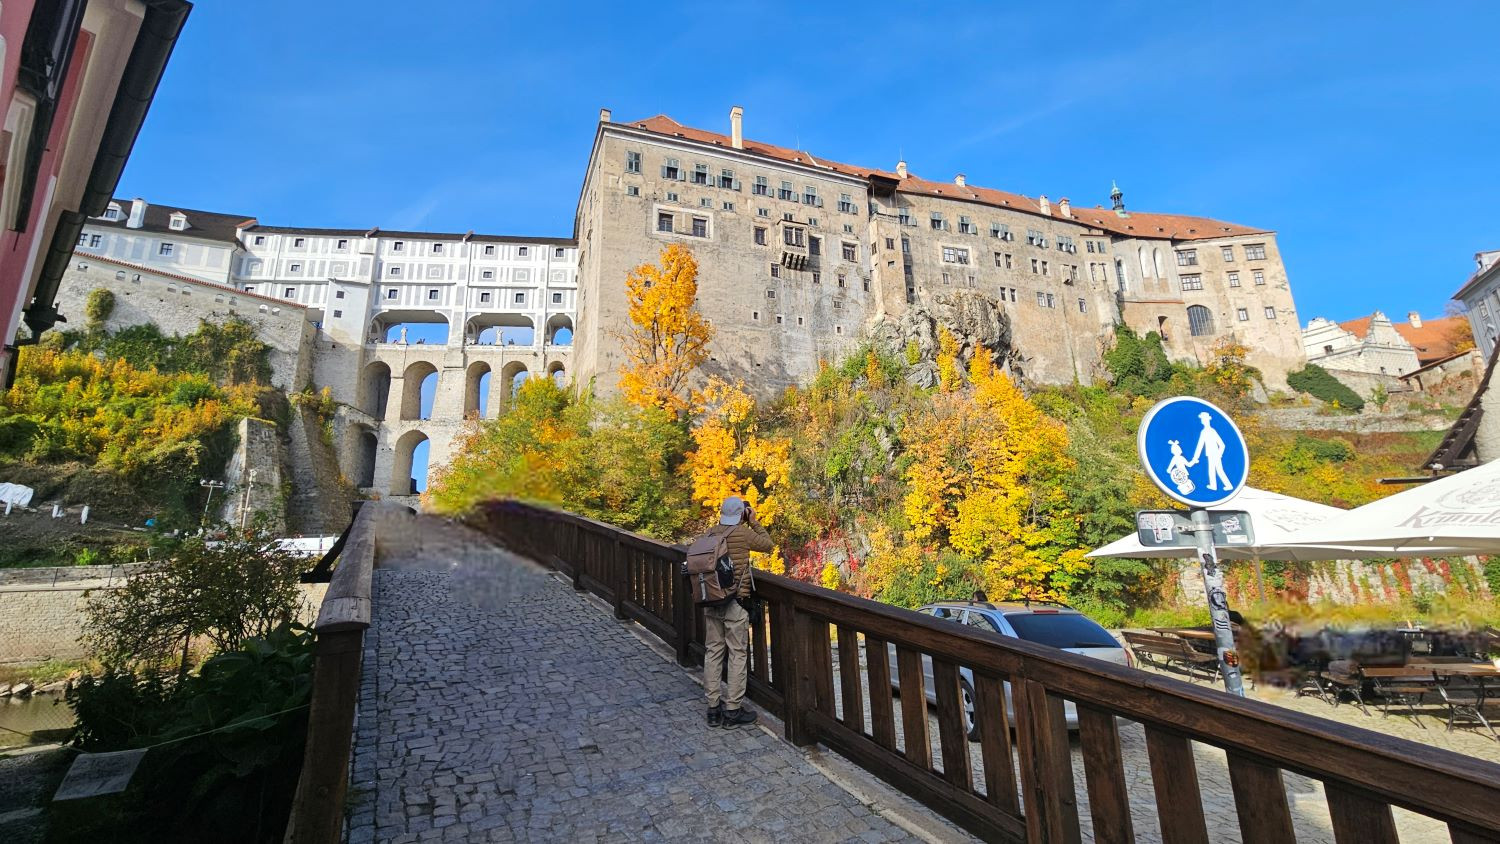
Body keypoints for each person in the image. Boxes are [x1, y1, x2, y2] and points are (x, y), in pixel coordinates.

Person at [704, 495, 773, 728]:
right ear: (741, 514)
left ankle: (713, 708)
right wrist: (753, 521)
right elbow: (768, 545)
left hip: (712, 601)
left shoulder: (711, 532)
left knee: (713, 652)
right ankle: (732, 710)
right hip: (735, 602)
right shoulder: (743, 533)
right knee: (737, 654)